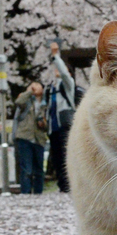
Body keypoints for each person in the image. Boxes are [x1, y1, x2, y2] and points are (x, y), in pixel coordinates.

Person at [44, 41, 76, 192]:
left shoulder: (68, 84)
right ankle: (62, 185)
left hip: (65, 125)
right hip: (53, 126)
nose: (57, 70)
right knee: (56, 156)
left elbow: (64, 73)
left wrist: (55, 56)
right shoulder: (51, 88)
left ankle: (69, 185)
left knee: (66, 155)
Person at [13, 81, 47, 194]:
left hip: (39, 138)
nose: (35, 86)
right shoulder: (27, 100)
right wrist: (29, 92)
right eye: (32, 85)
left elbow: (48, 123)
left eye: (37, 85)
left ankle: (38, 193)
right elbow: (18, 102)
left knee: (39, 169)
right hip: (25, 136)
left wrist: (43, 124)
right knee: (26, 168)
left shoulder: (46, 103)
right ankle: (25, 193)